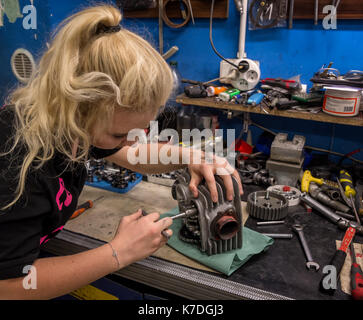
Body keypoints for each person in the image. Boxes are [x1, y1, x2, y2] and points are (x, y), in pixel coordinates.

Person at [0, 5, 243, 299]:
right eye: (119, 133)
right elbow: (8, 287)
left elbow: (130, 154)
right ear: (77, 108)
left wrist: (190, 157)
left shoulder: (70, 124)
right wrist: (119, 252)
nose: (130, 141)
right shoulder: (17, 162)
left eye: (139, 129)